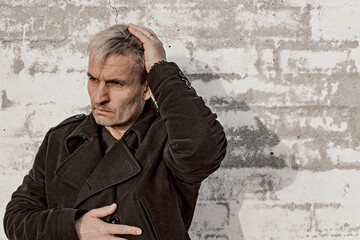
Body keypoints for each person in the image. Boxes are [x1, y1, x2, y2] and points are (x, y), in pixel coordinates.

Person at [3, 23, 227, 240]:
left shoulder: (169, 139)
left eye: (116, 84)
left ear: (147, 88)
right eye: (93, 79)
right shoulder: (62, 140)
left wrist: (161, 69)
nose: (99, 97)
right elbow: (17, 218)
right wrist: (74, 227)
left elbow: (202, 148)